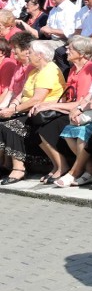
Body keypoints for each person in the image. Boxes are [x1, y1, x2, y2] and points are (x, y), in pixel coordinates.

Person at [0, 40, 66, 184]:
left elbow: (37, 99)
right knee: (3, 121)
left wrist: (14, 110)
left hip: (44, 112)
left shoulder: (49, 70)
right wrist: (12, 106)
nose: (27, 55)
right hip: (28, 110)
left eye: (30, 53)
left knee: (10, 125)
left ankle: (19, 169)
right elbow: (22, 94)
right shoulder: (34, 70)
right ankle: (6, 164)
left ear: (40, 55)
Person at [35, 36, 92, 184]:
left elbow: (81, 102)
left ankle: (87, 169)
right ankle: (77, 167)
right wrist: (45, 105)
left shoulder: (89, 69)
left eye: (70, 48)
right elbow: (67, 98)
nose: (66, 50)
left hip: (83, 111)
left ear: (81, 53)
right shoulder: (73, 69)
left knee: (50, 127)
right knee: (38, 124)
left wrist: (50, 105)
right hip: (70, 109)